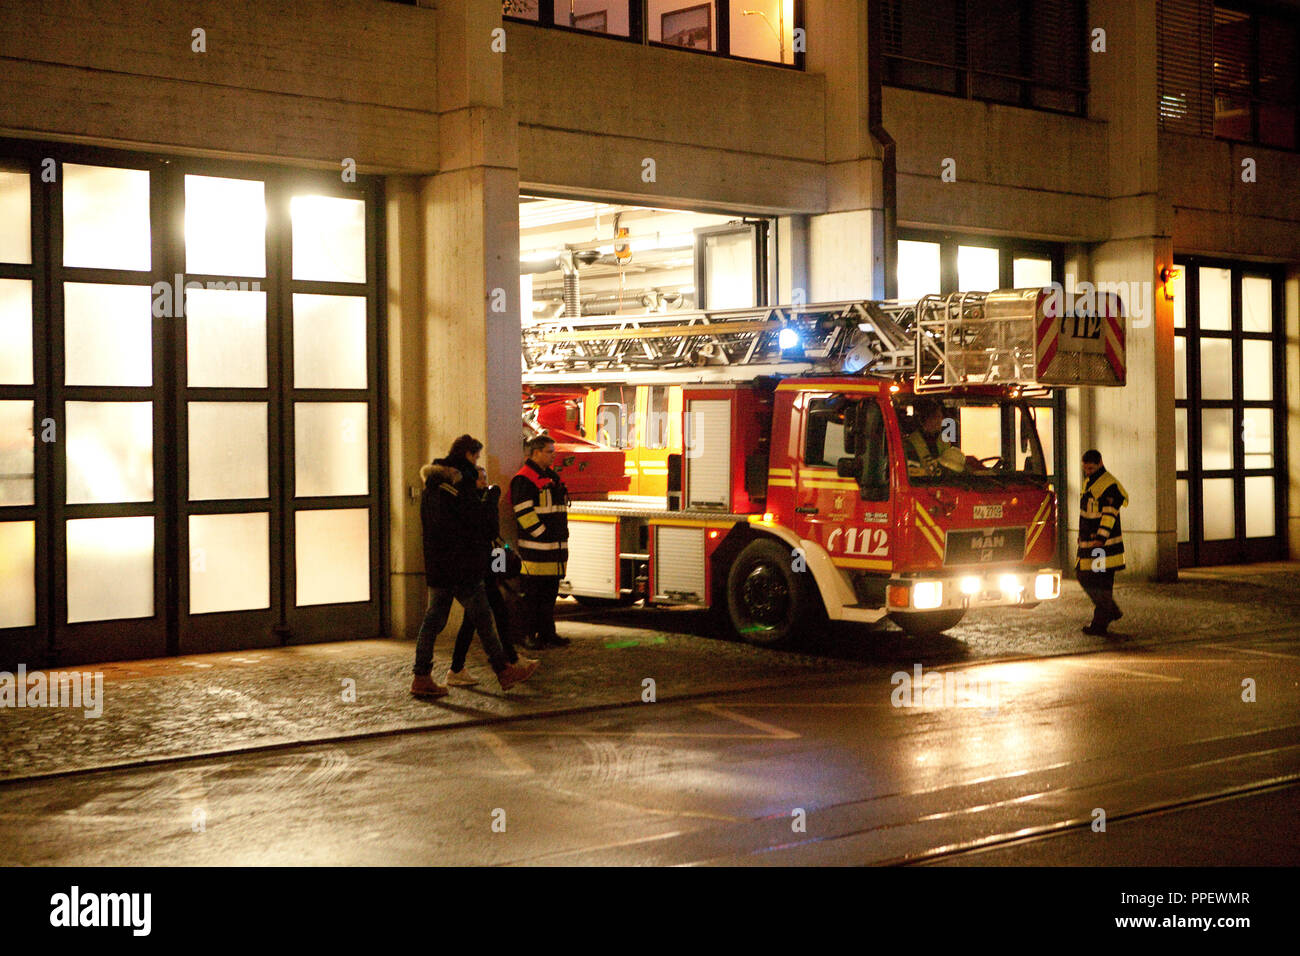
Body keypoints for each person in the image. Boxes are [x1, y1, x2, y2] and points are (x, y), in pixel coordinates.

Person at [410, 435, 538, 698]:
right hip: (462, 567)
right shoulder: (456, 489)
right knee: (484, 618)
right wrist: (489, 500)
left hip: (441, 567)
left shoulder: (434, 488)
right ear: (468, 455)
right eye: (477, 457)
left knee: (436, 621)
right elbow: (478, 525)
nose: (477, 464)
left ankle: (423, 676)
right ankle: (503, 670)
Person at [446, 465, 537, 686]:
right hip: (475, 571)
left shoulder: (477, 501)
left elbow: (492, 536)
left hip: (484, 569)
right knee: (478, 619)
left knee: (491, 615)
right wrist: (491, 499)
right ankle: (470, 668)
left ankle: (507, 662)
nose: (485, 483)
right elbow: (488, 529)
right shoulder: (473, 503)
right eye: (480, 479)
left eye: (486, 478)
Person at [511, 434, 570, 651]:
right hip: (536, 552)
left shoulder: (551, 477)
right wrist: (543, 534)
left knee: (549, 595)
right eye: (549, 451)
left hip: (554, 551)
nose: (554, 455)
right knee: (531, 596)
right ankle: (527, 634)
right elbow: (523, 512)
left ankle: (547, 633)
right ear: (535, 453)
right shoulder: (524, 479)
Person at [1076, 449, 1128, 636]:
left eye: (1090, 468)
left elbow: (1109, 515)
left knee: (1095, 580)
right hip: (1093, 544)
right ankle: (1105, 616)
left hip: (1103, 547)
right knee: (1097, 581)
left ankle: (1105, 616)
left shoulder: (1108, 485)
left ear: (1100, 463)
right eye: (1085, 468)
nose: (1087, 471)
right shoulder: (1092, 481)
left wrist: (1099, 539)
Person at [904, 397, 969, 478]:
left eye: (941, 417)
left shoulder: (943, 438)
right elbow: (912, 473)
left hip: (943, 482)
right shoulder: (912, 443)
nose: (941, 421)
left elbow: (950, 462)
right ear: (927, 419)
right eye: (937, 417)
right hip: (922, 484)